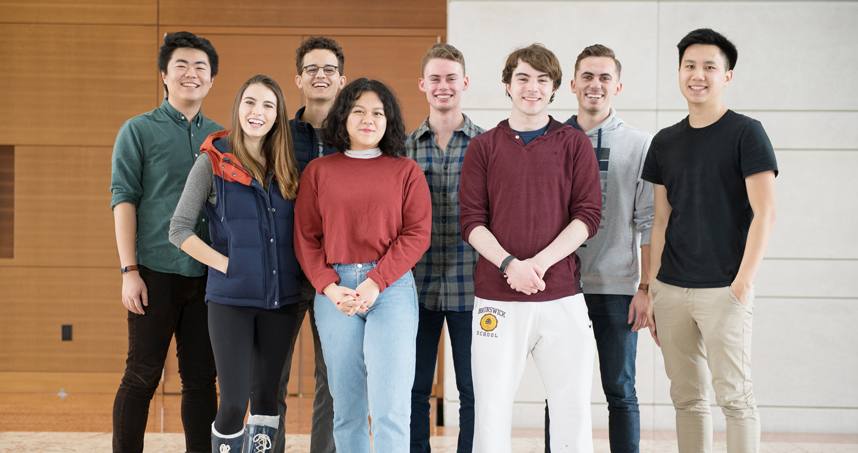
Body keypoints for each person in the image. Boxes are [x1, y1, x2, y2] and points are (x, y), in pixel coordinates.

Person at [458, 43, 602, 453]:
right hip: (496, 300)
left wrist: (536, 264)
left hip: (562, 297)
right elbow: (471, 221)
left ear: (556, 87)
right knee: (491, 409)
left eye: (542, 79)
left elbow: (588, 216)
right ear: (508, 85)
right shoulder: (483, 147)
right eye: (522, 78)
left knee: (572, 408)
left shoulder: (574, 144)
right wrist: (509, 265)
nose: (532, 87)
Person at [642, 28, 777, 453]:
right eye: (689, 66)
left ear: (727, 76)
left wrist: (743, 283)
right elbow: (660, 220)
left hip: (724, 289)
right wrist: (653, 287)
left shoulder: (746, 133)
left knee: (735, 399)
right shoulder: (664, 141)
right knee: (687, 399)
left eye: (709, 67)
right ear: (679, 71)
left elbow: (766, 212)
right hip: (672, 290)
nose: (697, 75)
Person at [294, 78, 432, 453]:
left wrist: (375, 281)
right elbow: (306, 238)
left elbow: (417, 234)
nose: (368, 119)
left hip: (391, 289)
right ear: (343, 117)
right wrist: (328, 286)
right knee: (347, 409)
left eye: (377, 112)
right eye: (358, 111)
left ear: (389, 121)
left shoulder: (406, 171)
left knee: (390, 407)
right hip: (335, 290)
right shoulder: (319, 171)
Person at [169, 74, 302, 453]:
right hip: (231, 302)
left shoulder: (289, 165)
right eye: (250, 102)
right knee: (232, 403)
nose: (257, 112)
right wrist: (226, 265)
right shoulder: (211, 163)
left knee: (265, 401)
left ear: (278, 116)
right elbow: (179, 230)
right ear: (238, 107)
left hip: (282, 301)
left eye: (268, 105)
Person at [110, 31, 220, 453]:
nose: (191, 74)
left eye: (200, 68)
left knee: (200, 380)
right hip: (152, 272)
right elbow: (124, 200)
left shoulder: (223, 137)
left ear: (210, 81)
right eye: (182, 66)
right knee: (141, 376)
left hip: (208, 277)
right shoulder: (137, 130)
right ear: (164, 75)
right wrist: (129, 271)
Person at [544, 44, 654, 453]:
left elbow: (648, 221)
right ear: (572, 85)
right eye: (587, 76)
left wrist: (646, 288)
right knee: (559, 393)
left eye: (604, 77)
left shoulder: (640, 145)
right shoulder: (550, 139)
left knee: (620, 391)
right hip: (560, 287)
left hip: (617, 287)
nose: (595, 84)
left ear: (618, 86)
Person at [405, 43, 484, 453]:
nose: (443, 86)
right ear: (422, 84)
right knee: (414, 388)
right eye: (435, 78)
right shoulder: (401, 148)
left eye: (451, 78)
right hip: (413, 289)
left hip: (473, 287)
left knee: (474, 391)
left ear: (465, 83)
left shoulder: (489, 145)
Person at [275, 36, 346, 453]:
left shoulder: (358, 135)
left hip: (336, 277)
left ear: (342, 80)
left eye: (329, 70)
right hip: (282, 273)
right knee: (271, 379)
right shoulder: (277, 135)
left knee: (333, 379)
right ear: (299, 78)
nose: (321, 76)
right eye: (312, 70)